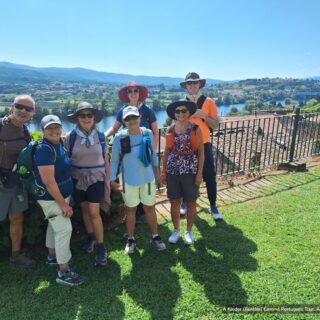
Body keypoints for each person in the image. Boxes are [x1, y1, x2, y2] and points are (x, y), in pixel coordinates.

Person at [34, 115, 85, 286]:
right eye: (49, 128)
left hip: (61, 195)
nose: (54, 131)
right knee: (64, 230)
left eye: (57, 127)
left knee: (53, 225)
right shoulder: (44, 150)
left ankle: (52, 256)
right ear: (42, 131)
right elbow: (48, 181)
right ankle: (63, 272)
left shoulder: (57, 144)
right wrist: (63, 204)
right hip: (52, 198)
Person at [109, 106, 166, 254]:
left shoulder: (147, 133)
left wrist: (157, 173)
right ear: (124, 121)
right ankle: (131, 239)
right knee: (130, 210)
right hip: (128, 180)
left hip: (147, 179)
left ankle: (155, 237)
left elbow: (153, 155)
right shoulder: (119, 137)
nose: (132, 121)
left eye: (134, 117)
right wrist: (111, 180)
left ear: (140, 118)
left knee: (150, 208)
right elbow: (114, 160)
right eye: (128, 118)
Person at [106, 82, 159, 224]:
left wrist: (153, 150)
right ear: (127, 94)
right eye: (130, 91)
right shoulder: (122, 110)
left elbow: (155, 130)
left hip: (145, 150)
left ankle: (141, 213)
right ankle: (134, 213)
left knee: (144, 179)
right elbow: (115, 127)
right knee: (132, 180)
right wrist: (103, 136)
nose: (133, 93)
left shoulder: (147, 110)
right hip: (128, 151)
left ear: (139, 93)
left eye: (136, 90)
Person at [65, 102, 110, 267]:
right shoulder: (70, 137)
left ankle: (101, 247)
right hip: (77, 178)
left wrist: (108, 178)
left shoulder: (101, 136)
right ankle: (91, 237)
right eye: (82, 115)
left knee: (94, 212)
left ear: (94, 118)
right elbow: (66, 160)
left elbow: (106, 159)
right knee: (84, 209)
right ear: (77, 119)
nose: (86, 118)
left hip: (96, 178)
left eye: (89, 115)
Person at [180, 72, 222, 221]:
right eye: (189, 83)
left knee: (209, 175)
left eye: (195, 83)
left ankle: (213, 205)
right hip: (187, 145)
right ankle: (185, 203)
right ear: (186, 86)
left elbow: (216, 125)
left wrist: (203, 115)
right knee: (187, 176)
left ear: (199, 84)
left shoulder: (208, 101)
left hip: (204, 143)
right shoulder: (181, 103)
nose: (192, 85)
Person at [0, 94, 36, 267]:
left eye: (28, 109)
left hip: (16, 181)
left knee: (17, 218)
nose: (23, 111)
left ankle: (15, 255)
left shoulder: (25, 131)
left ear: (32, 113)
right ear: (12, 107)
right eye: (19, 106)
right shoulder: (1, 126)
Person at [161, 100, 204, 244]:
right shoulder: (170, 130)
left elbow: (201, 153)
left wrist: (199, 174)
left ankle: (188, 231)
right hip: (173, 170)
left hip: (190, 170)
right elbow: (167, 151)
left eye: (183, 111)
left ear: (189, 113)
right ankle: (176, 230)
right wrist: (163, 171)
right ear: (174, 114)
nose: (180, 114)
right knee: (174, 201)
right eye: (177, 111)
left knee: (191, 202)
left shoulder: (195, 129)